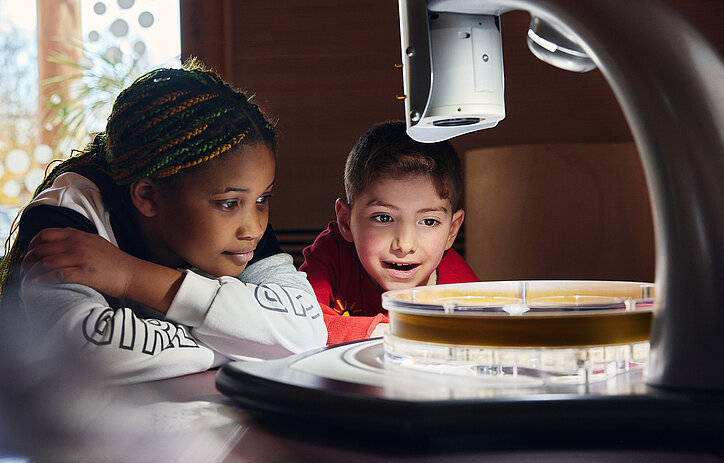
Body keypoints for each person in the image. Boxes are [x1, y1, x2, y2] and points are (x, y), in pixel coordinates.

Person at [0, 60, 327, 384]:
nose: (254, 228)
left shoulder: (238, 231)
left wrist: (133, 276)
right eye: (228, 203)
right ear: (148, 197)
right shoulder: (66, 217)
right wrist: (245, 341)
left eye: (262, 199)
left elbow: (306, 330)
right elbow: (84, 354)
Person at [299, 120, 478, 344]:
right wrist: (391, 335)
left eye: (429, 221)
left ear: (452, 231)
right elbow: (296, 321)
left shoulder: (462, 293)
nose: (404, 244)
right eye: (384, 218)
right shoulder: (332, 253)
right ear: (346, 222)